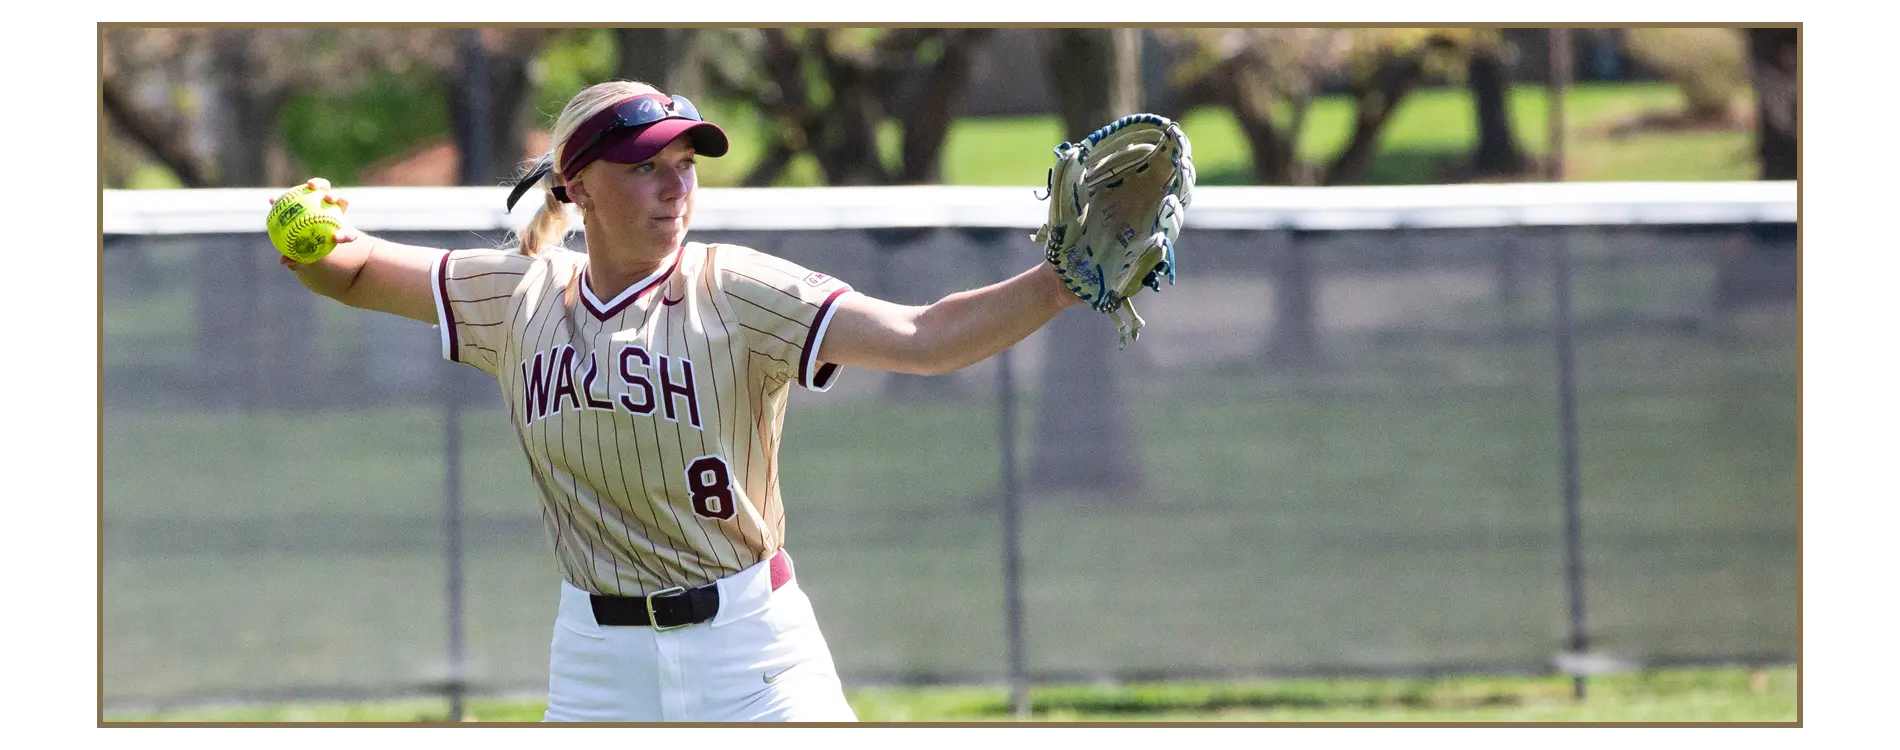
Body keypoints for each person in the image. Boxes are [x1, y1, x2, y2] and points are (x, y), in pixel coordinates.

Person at [275, 79, 1085, 722]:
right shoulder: (516, 297)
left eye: (686, 164)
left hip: (753, 655)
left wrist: (1059, 281)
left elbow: (923, 336)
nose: (675, 186)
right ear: (576, 185)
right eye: (644, 167)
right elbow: (348, 268)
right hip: (597, 664)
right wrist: (302, 233)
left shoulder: (735, 289)